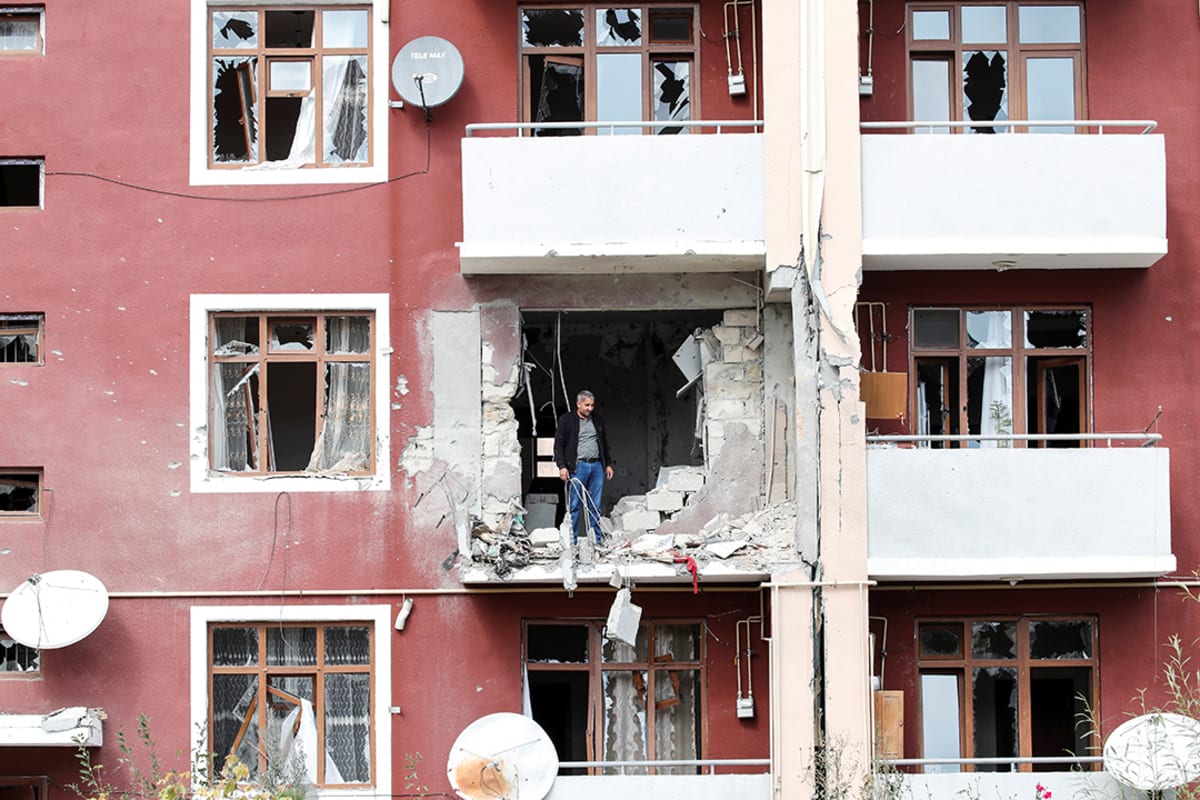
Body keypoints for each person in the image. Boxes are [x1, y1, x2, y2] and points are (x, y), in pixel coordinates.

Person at [553, 390, 614, 544]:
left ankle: (596, 541)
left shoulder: (597, 420)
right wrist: (561, 466)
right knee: (574, 506)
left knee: (595, 506)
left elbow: (604, 444)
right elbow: (558, 444)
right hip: (577, 466)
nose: (590, 408)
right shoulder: (567, 420)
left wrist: (608, 464)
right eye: (586, 405)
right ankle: (572, 542)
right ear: (578, 404)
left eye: (592, 405)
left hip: (597, 466)